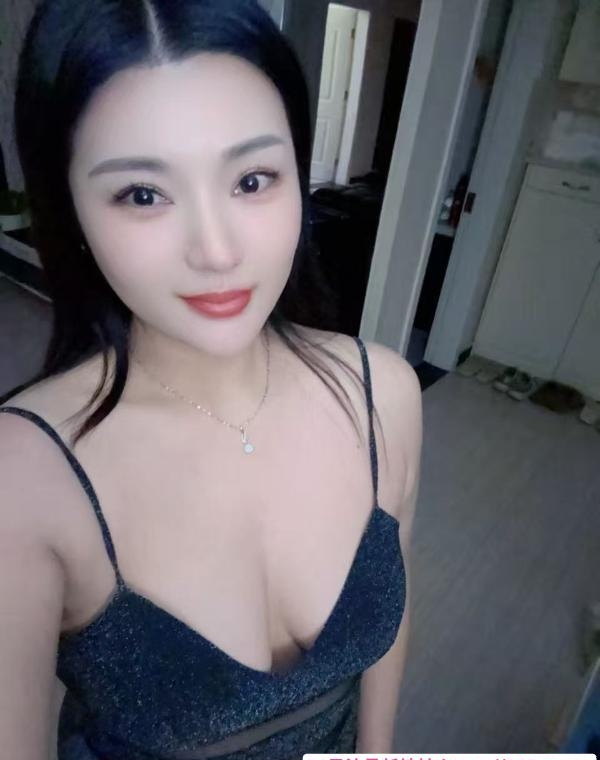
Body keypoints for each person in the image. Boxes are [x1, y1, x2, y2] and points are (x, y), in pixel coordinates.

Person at [0, 0, 422, 757]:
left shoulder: (383, 394)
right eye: (143, 194)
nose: (218, 251)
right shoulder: (24, 478)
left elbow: (393, 622)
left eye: (253, 179)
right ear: (72, 213)